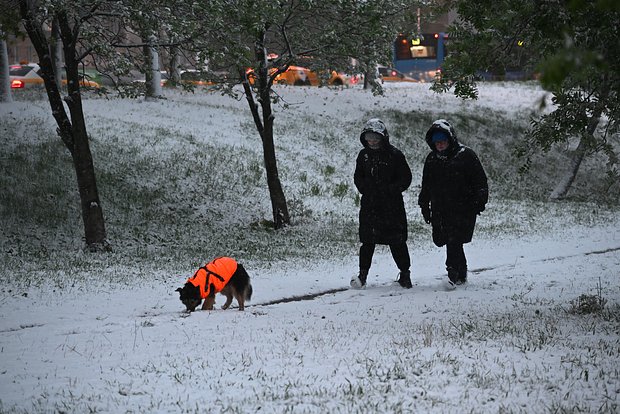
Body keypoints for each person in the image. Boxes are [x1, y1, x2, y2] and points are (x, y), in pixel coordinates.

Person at [418, 119, 488, 287]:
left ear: (450, 140)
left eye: (443, 141)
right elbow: (426, 184)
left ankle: (453, 272)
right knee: (450, 240)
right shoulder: (432, 159)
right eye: (436, 142)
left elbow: (480, 181)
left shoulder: (465, 155)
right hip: (440, 207)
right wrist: (424, 206)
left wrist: (479, 200)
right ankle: (460, 272)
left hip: (463, 207)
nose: (440, 145)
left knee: (454, 240)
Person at [351, 118, 413, 289]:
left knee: (397, 242)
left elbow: (406, 178)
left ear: (383, 137)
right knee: (367, 242)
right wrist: (365, 188)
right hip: (370, 206)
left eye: (375, 137)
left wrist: (391, 189)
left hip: (392, 207)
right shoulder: (363, 156)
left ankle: (405, 274)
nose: (372, 141)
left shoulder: (395, 155)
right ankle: (362, 275)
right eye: (369, 137)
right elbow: (358, 177)